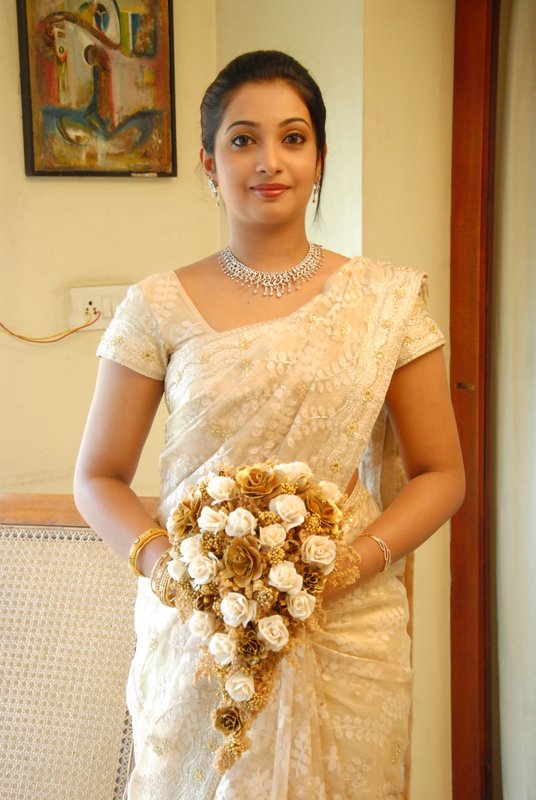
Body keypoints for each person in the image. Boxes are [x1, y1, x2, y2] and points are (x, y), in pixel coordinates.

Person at [74, 50, 465, 800]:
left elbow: (442, 474)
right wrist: (177, 576)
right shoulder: (157, 305)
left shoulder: (385, 303)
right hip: (199, 630)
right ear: (208, 163)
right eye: (243, 139)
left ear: (319, 158)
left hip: (346, 627)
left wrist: (343, 568)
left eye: (293, 137)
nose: (269, 161)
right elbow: (97, 478)